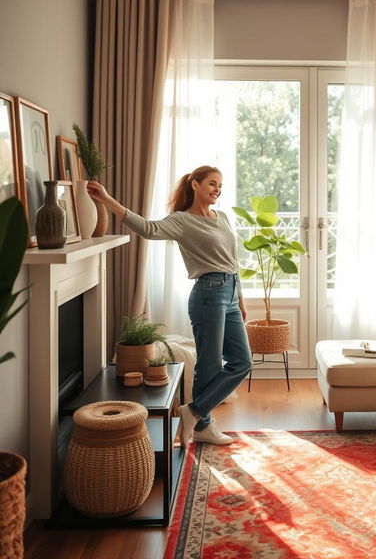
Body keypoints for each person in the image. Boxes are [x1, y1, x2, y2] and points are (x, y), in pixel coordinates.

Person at [87, 165, 252, 447]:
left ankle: (195, 413)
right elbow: (148, 229)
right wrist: (107, 199)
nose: (217, 190)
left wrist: (240, 298)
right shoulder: (182, 220)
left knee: (241, 361)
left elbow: (233, 260)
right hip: (208, 294)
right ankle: (203, 424)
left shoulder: (222, 217)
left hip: (230, 293)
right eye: (212, 184)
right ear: (195, 184)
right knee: (210, 364)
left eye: (220, 185)